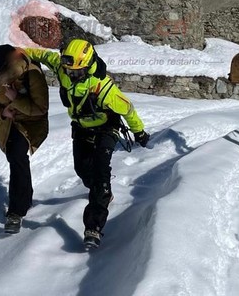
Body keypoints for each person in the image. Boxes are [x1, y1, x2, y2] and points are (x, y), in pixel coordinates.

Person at [24, 39, 150, 249]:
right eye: (70, 72)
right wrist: (19, 52)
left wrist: (140, 133)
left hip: (106, 128)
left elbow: (128, 110)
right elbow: (45, 56)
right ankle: (101, 192)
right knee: (82, 168)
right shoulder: (65, 68)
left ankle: (94, 226)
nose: (72, 76)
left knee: (101, 170)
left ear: (89, 65)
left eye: (78, 73)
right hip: (81, 127)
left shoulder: (104, 88)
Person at [0, 44, 49, 233]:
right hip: (6, 124)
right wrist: (1, 111)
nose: (1, 78)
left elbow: (41, 108)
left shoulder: (32, 74)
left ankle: (16, 211)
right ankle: (25, 197)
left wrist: (15, 99)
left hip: (30, 124)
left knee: (17, 158)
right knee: (16, 159)